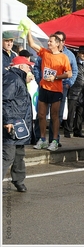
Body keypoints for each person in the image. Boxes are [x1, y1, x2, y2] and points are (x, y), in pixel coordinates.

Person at [27, 29, 72, 151]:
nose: (48, 43)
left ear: (57, 43)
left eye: (51, 41)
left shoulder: (63, 57)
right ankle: (42, 139)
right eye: (48, 41)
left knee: (54, 116)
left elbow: (69, 73)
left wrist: (56, 77)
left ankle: (54, 140)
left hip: (56, 90)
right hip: (44, 88)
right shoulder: (44, 53)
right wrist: (28, 31)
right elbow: (31, 44)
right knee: (41, 115)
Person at [3, 56, 34, 192]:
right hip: (13, 124)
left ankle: (19, 180)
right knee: (7, 156)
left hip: (20, 125)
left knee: (19, 155)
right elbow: (4, 100)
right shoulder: (12, 79)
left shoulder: (17, 79)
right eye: (28, 66)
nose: (30, 69)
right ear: (21, 67)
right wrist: (8, 120)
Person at [64, 46, 84, 138]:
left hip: (83, 93)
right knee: (71, 112)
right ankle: (67, 131)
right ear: (78, 53)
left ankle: (78, 130)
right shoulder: (73, 63)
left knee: (80, 113)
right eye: (82, 53)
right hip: (73, 91)